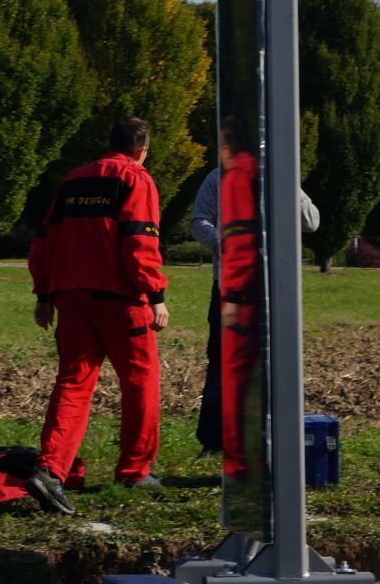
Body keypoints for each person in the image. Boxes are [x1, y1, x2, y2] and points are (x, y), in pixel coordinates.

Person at [26, 115, 168, 516]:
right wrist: (155, 294)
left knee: (73, 383)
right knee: (141, 381)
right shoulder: (136, 179)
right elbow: (140, 241)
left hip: (71, 298)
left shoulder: (73, 181)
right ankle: (134, 471)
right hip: (121, 300)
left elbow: (44, 241)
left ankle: (51, 469)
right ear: (142, 149)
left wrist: (44, 294)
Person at [190, 129, 319, 455]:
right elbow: (198, 221)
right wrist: (218, 241)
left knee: (272, 365)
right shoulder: (218, 178)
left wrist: (291, 186)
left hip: (273, 292)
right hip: (229, 289)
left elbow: (312, 222)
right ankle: (213, 441)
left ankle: (265, 438)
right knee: (221, 365)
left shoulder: (282, 180)